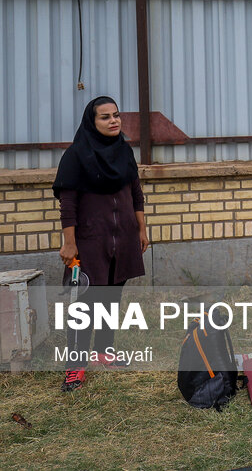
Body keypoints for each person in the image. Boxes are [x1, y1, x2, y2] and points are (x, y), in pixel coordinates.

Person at [53, 96, 149, 392]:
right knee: (83, 306)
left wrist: (142, 228)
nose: (113, 121)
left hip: (122, 240)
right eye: (105, 117)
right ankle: (75, 366)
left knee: (110, 300)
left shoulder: (124, 151)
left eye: (116, 115)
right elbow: (68, 203)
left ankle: (104, 353)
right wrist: (69, 243)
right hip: (89, 242)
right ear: (91, 122)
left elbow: (135, 192)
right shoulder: (76, 155)